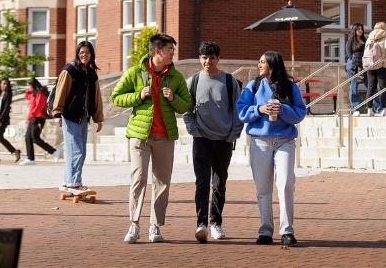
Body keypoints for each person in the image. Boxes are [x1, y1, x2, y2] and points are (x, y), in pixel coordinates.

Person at [111, 33, 191, 244]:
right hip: (139, 136)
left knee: (162, 182)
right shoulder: (135, 72)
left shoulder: (176, 77)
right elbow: (116, 97)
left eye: (173, 50)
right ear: (157, 51)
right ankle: (134, 224)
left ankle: (155, 226)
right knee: (138, 179)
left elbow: (187, 105)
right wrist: (138, 96)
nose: (172, 53)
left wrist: (173, 98)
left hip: (165, 137)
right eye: (169, 50)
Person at [236, 50, 306, 247]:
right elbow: (241, 111)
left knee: (285, 184)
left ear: (272, 65)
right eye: (258, 62)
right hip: (260, 141)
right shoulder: (254, 85)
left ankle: (287, 231)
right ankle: (265, 230)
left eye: (262, 62)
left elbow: (300, 113)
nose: (259, 65)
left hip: (285, 140)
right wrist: (259, 109)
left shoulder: (290, 87)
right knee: (263, 187)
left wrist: (282, 109)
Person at [182, 41, 243, 243]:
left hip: (224, 141)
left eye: (212, 57)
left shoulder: (228, 81)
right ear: (200, 59)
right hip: (201, 140)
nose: (208, 61)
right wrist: (194, 131)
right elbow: (186, 110)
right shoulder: (193, 81)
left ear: (218, 58)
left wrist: (232, 135)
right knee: (201, 184)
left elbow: (238, 111)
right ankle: (201, 224)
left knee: (219, 184)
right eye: (204, 57)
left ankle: (216, 223)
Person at [50, 41, 104, 189]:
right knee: (77, 151)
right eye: (81, 52)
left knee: (79, 151)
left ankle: (68, 182)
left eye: (87, 52)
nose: (84, 55)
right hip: (70, 116)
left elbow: (96, 97)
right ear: (77, 54)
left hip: (84, 117)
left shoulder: (92, 74)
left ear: (92, 54)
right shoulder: (70, 70)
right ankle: (74, 183)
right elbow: (60, 91)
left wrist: (98, 118)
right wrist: (57, 113)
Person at [363, 22, 386, 116]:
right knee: (383, 88)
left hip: (370, 65)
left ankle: (369, 109)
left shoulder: (369, 39)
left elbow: (365, 53)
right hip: (383, 65)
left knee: (371, 87)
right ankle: (385, 109)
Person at [20, 78, 56, 166]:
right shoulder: (34, 94)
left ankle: (54, 151)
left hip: (38, 118)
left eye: (29, 85)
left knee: (35, 138)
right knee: (28, 138)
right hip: (33, 118)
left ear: (33, 85)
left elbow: (38, 107)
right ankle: (30, 158)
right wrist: (28, 91)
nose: (28, 87)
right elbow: (27, 97)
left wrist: (30, 117)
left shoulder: (40, 94)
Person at [342, 23, 366, 112]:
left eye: (361, 29)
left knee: (370, 86)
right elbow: (349, 55)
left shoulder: (365, 40)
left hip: (363, 64)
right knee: (354, 86)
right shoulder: (350, 41)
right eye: (358, 29)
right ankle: (355, 108)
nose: (360, 30)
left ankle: (378, 108)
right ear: (354, 30)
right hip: (352, 64)